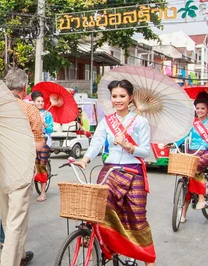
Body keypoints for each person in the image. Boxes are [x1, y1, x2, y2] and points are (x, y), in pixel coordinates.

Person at [74, 80, 156, 265]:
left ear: (131, 98)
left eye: (122, 96)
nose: (118, 100)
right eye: (114, 96)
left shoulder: (141, 121)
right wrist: (85, 159)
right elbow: (96, 143)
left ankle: (148, 259)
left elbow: (146, 151)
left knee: (136, 217)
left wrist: (129, 146)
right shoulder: (106, 121)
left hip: (133, 171)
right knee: (98, 206)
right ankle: (106, 244)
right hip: (110, 169)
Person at [0, 68, 44, 266]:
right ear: (25, 88)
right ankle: (9, 262)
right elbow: (38, 145)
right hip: (21, 168)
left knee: (6, 217)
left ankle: (17, 256)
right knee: (16, 222)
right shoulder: (30, 110)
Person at [176, 91, 208, 221]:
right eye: (197, 108)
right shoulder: (192, 123)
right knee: (186, 178)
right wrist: (173, 144)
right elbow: (183, 136)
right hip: (193, 151)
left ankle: (201, 198)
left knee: (195, 167)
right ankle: (183, 212)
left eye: (203, 108)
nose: (200, 111)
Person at [31, 91, 53, 202]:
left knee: (41, 165)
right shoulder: (31, 113)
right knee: (34, 164)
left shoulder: (48, 115)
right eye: (38, 101)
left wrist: (44, 123)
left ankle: (43, 193)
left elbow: (51, 130)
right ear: (34, 102)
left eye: (42, 101)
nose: (40, 103)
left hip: (44, 140)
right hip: (33, 141)